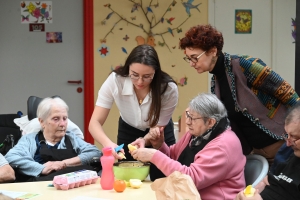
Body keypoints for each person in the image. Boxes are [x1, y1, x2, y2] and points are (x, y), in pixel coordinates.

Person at [179, 24, 300, 164]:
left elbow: (289, 95)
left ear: (213, 51)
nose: (191, 64)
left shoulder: (244, 65)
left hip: (284, 146)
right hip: (257, 154)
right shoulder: (216, 81)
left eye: (195, 57)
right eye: (188, 58)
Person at [130, 93, 246, 200]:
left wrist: (153, 155)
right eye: (188, 115)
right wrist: (159, 145)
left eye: (193, 118)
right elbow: (174, 157)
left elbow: (190, 179)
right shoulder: (197, 134)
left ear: (211, 122)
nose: (188, 122)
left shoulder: (223, 146)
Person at [89, 44, 178, 180]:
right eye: (134, 75)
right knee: (128, 178)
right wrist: (109, 144)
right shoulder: (115, 80)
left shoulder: (168, 88)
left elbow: (157, 128)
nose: (140, 82)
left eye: (147, 76)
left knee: (163, 178)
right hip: (128, 130)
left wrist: (146, 139)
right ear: (128, 68)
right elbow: (94, 123)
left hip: (159, 133)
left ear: (156, 72)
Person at [5, 97, 102, 182]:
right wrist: (41, 168)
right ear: (42, 121)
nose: (62, 124)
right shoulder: (30, 139)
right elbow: (11, 157)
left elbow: (94, 152)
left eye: (65, 118)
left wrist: (64, 163)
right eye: (56, 119)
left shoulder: (71, 138)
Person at [235, 102, 300, 200]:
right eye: (287, 135)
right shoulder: (289, 153)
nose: (288, 144)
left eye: (294, 137)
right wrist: (250, 193)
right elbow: (268, 181)